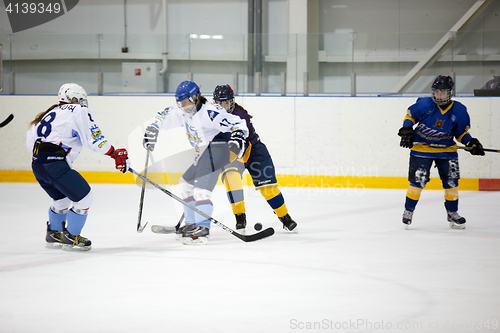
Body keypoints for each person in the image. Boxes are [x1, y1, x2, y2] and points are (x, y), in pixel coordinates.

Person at [143, 81, 249, 245]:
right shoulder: (182, 110)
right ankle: (191, 224)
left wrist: (237, 139)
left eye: (185, 101)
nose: (182, 105)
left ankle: (202, 229)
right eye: (180, 102)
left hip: (217, 150)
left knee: (201, 188)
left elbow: (238, 123)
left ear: (195, 97)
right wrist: (152, 129)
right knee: (185, 183)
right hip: (202, 153)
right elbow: (162, 115)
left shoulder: (210, 112)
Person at [26, 83, 129, 251]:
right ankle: (71, 236)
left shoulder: (50, 112)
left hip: (38, 165)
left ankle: (54, 232)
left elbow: (31, 140)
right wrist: (114, 153)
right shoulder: (78, 110)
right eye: (80, 100)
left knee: (62, 199)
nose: (82, 103)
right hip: (55, 165)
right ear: (73, 99)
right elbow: (94, 138)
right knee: (84, 198)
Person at [398, 75, 485, 229]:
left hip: (447, 151)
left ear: (450, 92)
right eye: (437, 91)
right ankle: (408, 210)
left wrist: (470, 142)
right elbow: (410, 115)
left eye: (443, 92)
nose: (439, 95)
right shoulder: (424, 104)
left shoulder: (459, 110)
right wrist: (407, 129)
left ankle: (452, 212)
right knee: (417, 183)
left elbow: (461, 134)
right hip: (421, 150)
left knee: (452, 183)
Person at [212, 84, 297, 233]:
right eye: (220, 103)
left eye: (226, 103)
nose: (223, 107)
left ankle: (285, 218)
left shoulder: (241, 117)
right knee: (232, 183)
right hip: (230, 155)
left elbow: (241, 147)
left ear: (231, 102)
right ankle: (240, 219)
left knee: (268, 189)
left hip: (254, 152)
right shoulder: (211, 119)